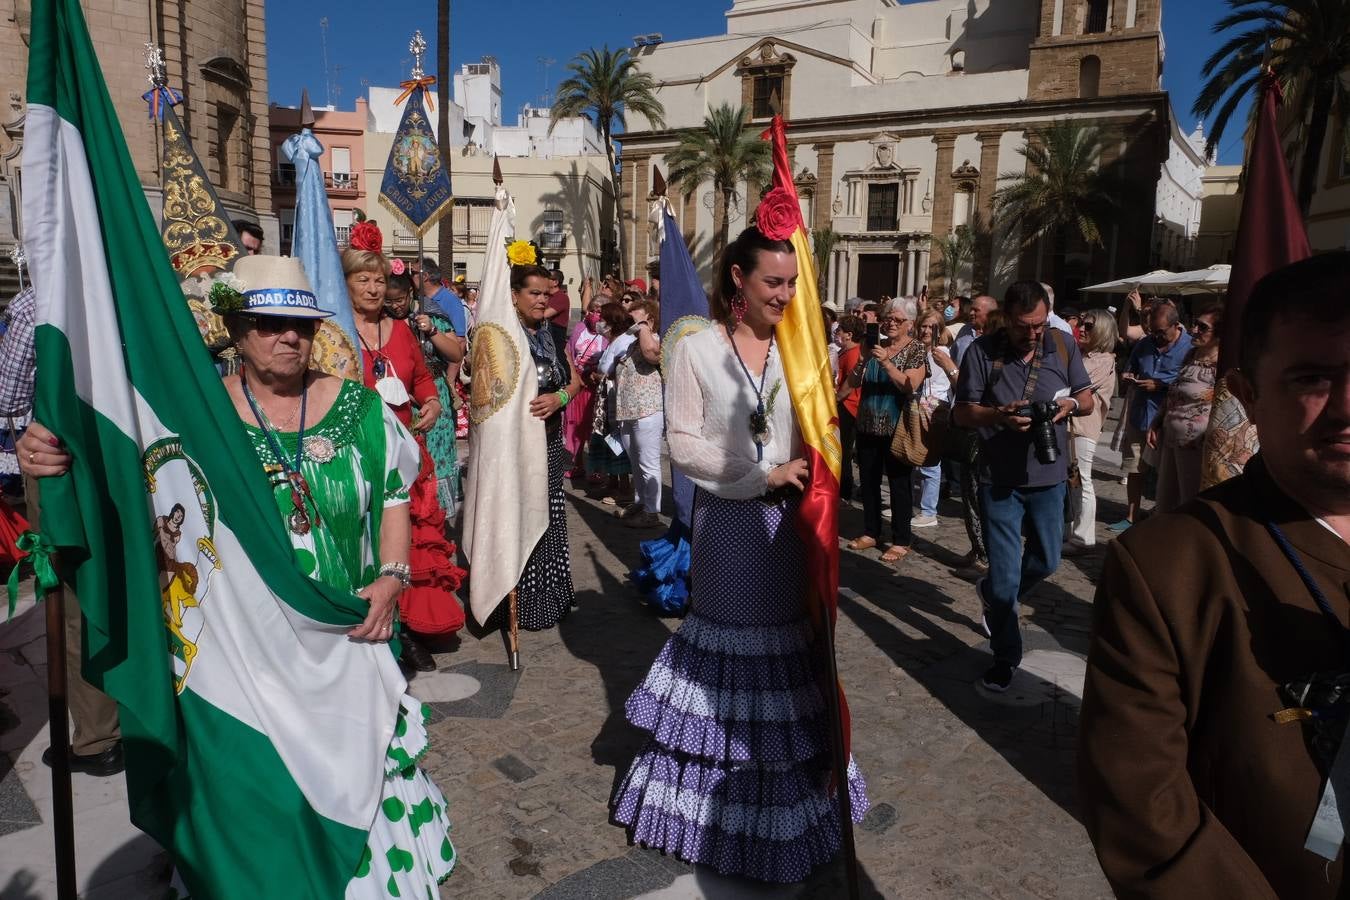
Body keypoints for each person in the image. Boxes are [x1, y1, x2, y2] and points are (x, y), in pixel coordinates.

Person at [18, 256, 457, 894]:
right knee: (253, 799)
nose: (288, 337)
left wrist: (392, 578)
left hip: (346, 642)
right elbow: (119, 472)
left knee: (357, 792)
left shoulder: (363, 410)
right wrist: (50, 452)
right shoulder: (196, 422)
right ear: (235, 330)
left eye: (301, 325)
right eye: (268, 324)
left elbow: (393, 497)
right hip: (243, 655)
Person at [1078, 251, 1350, 899]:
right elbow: (1142, 809)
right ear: (1249, 396)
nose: (1345, 407)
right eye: (1312, 378)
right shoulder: (1168, 566)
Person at [611, 225, 869, 882]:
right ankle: (709, 813)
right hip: (729, 525)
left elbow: (821, 434)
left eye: (791, 283)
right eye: (773, 282)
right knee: (730, 654)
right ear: (738, 280)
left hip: (791, 533)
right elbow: (685, 443)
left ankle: (788, 813)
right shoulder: (696, 349)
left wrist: (822, 444)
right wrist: (762, 476)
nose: (785, 295)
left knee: (789, 653)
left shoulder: (802, 351)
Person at [2, 285, 124, 776]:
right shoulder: (126, 289)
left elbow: (8, 395)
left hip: (61, 464)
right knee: (125, 584)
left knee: (74, 599)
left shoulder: (38, 302)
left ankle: (98, 738)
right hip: (124, 457)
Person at [953, 281, 1094, 692]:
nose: (1032, 334)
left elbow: (1085, 398)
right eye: (1022, 326)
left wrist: (1067, 405)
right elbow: (962, 413)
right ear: (1006, 318)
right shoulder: (982, 352)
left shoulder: (1063, 345)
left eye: (1038, 325)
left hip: (1049, 477)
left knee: (1048, 561)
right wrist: (998, 414)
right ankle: (1005, 655)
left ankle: (996, 594)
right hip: (999, 477)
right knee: (1003, 577)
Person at [345, 245, 466, 670]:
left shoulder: (399, 330)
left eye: (379, 280)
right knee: (366, 546)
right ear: (345, 284)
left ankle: (407, 628)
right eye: (363, 280)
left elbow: (418, 377)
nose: (374, 288)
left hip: (401, 453)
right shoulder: (334, 334)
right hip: (354, 455)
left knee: (405, 546)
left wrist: (430, 401)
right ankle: (377, 627)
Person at [500, 264, 582, 630]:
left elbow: (576, 381)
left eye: (545, 294)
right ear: (514, 295)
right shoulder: (502, 336)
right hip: (515, 447)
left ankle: (550, 598)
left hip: (549, 444)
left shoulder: (552, 332)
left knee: (548, 518)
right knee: (520, 519)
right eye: (533, 293)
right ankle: (517, 602)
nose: (541, 300)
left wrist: (560, 397)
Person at [846, 296, 927, 564]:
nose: (890, 323)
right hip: (868, 423)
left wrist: (887, 363)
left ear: (910, 324)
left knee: (899, 484)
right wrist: (863, 360)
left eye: (897, 319)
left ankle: (901, 539)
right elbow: (855, 381)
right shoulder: (873, 346)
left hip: (897, 427)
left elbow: (909, 385)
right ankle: (871, 530)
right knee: (868, 481)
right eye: (887, 318)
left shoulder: (915, 349)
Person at [384, 270, 466, 514]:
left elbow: (455, 354)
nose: (396, 306)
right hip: (398, 397)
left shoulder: (431, 316)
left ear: (411, 293)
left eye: (400, 299)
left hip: (434, 393)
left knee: (436, 455)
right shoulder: (382, 323)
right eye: (389, 301)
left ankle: (435, 518)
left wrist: (431, 330)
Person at [1113, 301, 1192, 532]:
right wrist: (1128, 375)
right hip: (1141, 413)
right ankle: (1131, 515)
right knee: (1135, 467)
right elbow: (1131, 365)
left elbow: (1190, 381)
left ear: (1176, 326)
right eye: (1153, 332)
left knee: (1167, 472)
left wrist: (1160, 384)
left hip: (1170, 417)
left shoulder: (1190, 348)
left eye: (1161, 332)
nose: (1156, 337)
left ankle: (1163, 515)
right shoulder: (1145, 344)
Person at [1148, 304, 1223, 513]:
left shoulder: (1222, 366)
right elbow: (1175, 391)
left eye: (1203, 327)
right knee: (1164, 500)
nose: (1194, 330)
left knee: (1187, 502)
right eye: (1195, 324)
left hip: (1195, 444)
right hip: (1171, 438)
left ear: (1219, 334)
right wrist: (1157, 421)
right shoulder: (1192, 355)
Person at [599, 298, 664, 528]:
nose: (629, 321)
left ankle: (652, 512)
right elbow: (604, 368)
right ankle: (640, 502)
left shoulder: (655, 340)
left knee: (648, 462)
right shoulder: (627, 344)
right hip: (627, 411)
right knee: (636, 462)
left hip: (648, 410)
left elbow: (651, 355)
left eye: (634, 315)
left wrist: (644, 327)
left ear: (650, 319)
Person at [1064, 309, 1119, 554]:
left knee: (1081, 479)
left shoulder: (1103, 360)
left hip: (1084, 427)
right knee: (1070, 479)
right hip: (1070, 425)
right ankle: (1069, 530)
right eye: (1082, 324)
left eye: (1089, 326)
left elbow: (1074, 385)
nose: (1082, 329)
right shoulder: (1082, 355)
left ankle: (1083, 537)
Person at [912, 308, 959, 529]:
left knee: (930, 463)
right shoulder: (920, 349)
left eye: (931, 326)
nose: (926, 330)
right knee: (914, 458)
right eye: (923, 325)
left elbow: (942, 383)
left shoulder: (941, 352)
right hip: (917, 408)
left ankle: (929, 511)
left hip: (934, 409)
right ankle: (915, 505)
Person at [589, 302, 635, 505]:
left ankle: (624, 488)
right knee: (607, 439)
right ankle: (612, 482)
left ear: (612, 322)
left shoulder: (625, 341)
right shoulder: (612, 341)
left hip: (617, 399)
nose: (599, 323)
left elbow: (618, 370)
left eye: (602, 319)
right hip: (605, 399)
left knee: (617, 442)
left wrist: (601, 376)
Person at [562, 292, 610, 479]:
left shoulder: (607, 333)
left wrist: (595, 375)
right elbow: (569, 351)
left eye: (599, 311)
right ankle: (573, 464)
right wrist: (575, 374)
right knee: (573, 428)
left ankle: (596, 470)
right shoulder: (579, 328)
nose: (594, 314)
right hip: (578, 385)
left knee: (594, 429)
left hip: (596, 388)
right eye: (592, 310)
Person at [834, 314, 865, 502]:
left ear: (849, 334)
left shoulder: (854, 353)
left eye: (840, 331)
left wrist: (837, 398)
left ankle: (844, 491)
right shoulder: (844, 352)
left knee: (844, 451)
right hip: (844, 405)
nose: (837, 333)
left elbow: (851, 382)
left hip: (848, 406)